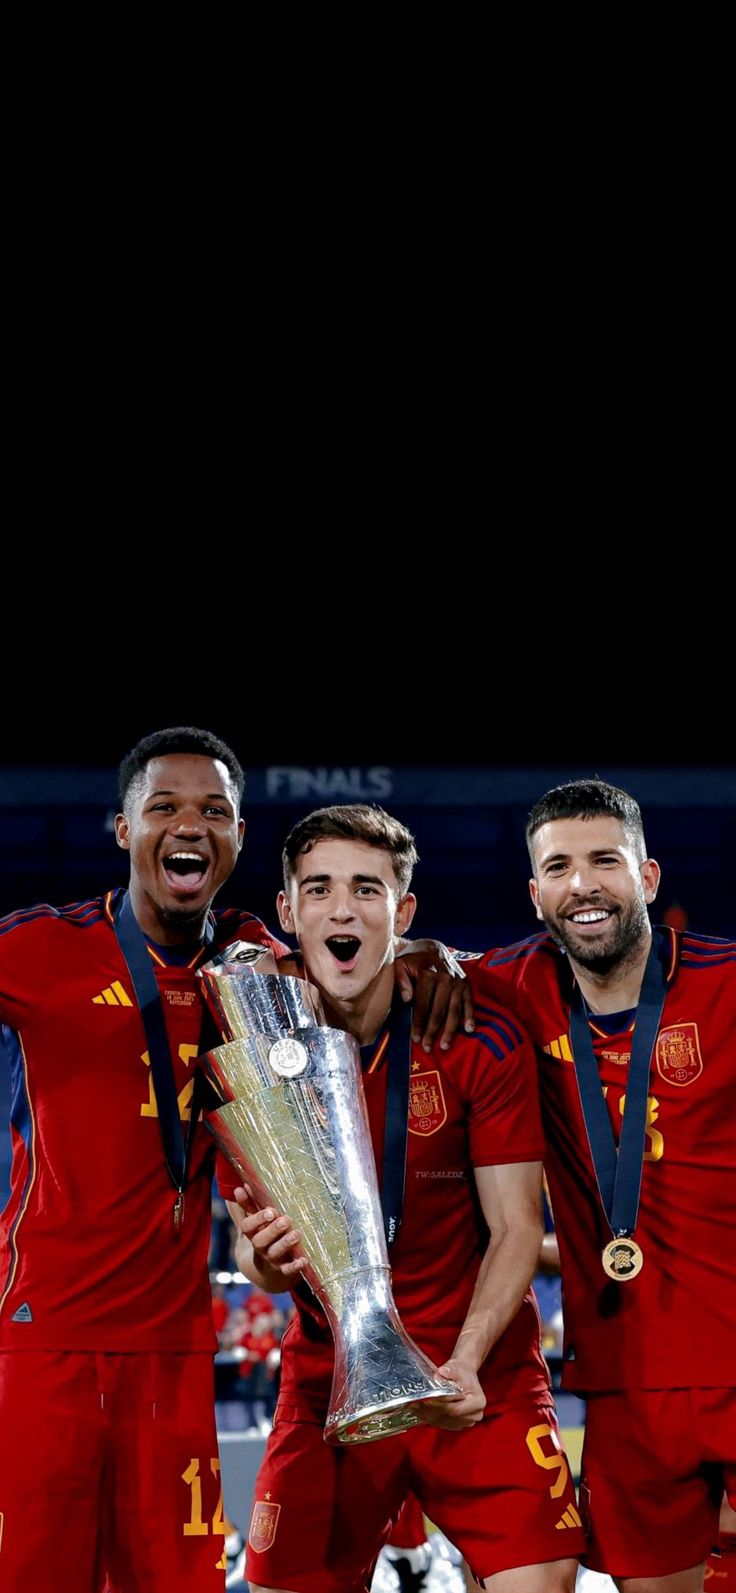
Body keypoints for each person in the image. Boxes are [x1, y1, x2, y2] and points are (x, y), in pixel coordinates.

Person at [0, 729, 467, 1593]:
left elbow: (355, 952)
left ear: (239, 837)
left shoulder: (254, 962)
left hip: (176, 1348)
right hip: (42, 1338)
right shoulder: (39, 950)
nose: (190, 823)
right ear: (123, 829)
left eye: (214, 809)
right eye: (164, 806)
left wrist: (427, 952)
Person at [226, 803, 584, 1593]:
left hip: (475, 1368)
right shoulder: (255, 1054)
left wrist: (465, 1358)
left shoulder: (475, 1032)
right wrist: (266, 1259)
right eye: (318, 889)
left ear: (404, 911)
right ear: (289, 911)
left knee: (543, 1581)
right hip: (330, 1376)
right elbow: (253, 1258)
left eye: (367, 888)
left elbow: (517, 1226)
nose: (342, 907)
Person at [463, 778, 735, 1593]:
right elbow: (387, 974)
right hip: (625, 1381)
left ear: (646, 877)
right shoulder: (505, 990)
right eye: (560, 866)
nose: (583, 884)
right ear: (537, 890)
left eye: (604, 861)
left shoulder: (727, 984)